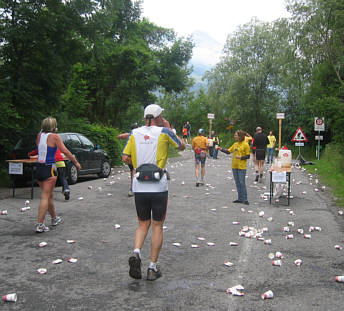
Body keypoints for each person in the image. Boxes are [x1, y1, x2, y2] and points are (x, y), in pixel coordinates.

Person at [122, 104, 185, 281]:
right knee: (157, 225)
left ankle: (136, 252)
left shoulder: (134, 133)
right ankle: (152, 267)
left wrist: (139, 161)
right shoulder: (164, 132)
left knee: (143, 223)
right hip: (158, 185)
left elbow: (124, 157)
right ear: (158, 117)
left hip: (139, 185)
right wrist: (169, 127)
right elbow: (181, 146)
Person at [34, 117, 81, 233]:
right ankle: (40, 224)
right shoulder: (55, 137)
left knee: (48, 195)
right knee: (45, 196)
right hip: (50, 168)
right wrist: (75, 162)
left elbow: (38, 147)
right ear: (53, 126)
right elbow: (64, 150)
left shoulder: (39, 136)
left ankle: (54, 218)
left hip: (39, 167)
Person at [216, 130, 250, 205]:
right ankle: (240, 198)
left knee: (242, 182)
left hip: (242, 167)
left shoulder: (245, 145)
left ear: (240, 136)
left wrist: (241, 157)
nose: (235, 136)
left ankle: (245, 199)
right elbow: (228, 151)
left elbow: (248, 156)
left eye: (236, 135)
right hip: (234, 166)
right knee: (237, 182)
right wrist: (221, 149)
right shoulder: (235, 144)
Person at [117, 123, 139, 197]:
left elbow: (119, 136)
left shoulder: (130, 134)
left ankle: (133, 187)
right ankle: (132, 189)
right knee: (134, 169)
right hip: (134, 155)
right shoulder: (139, 134)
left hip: (128, 155)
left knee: (133, 170)